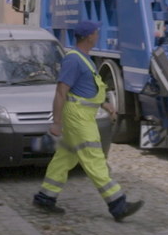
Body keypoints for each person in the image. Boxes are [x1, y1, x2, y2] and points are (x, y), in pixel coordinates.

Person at [33, 21, 144, 222]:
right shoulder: (74, 60)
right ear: (89, 37)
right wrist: (56, 123)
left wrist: (104, 104)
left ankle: (45, 197)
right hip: (79, 118)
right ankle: (118, 204)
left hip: (81, 115)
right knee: (93, 158)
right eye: (96, 32)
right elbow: (61, 92)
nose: (98, 35)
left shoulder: (84, 59)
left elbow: (86, 89)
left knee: (65, 157)